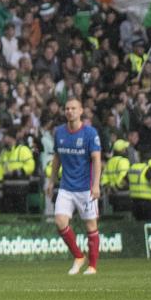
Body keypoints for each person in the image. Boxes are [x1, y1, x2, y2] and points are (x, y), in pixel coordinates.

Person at [49, 96, 104, 276]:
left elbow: (96, 159)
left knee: (90, 225)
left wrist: (96, 185)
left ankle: (92, 266)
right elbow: (57, 158)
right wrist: (51, 181)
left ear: (81, 111)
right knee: (59, 221)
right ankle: (79, 256)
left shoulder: (90, 133)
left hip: (85, 188)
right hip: (66, 186)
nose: (69, 111)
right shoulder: (59, 132)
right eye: (67, 108)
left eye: (73, 108)